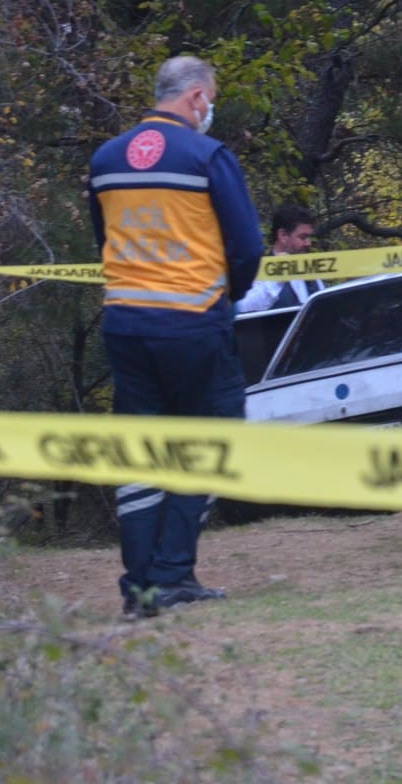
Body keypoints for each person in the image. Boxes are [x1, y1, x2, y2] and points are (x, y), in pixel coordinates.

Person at [89, 55, 262, 618]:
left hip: (126, 323)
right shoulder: (207, 156)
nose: (211, 107)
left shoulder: (107, 159)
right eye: (211, 97)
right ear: (193, 98)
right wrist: (226, 294)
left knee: (140, 451)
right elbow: (248, 244)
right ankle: (170, 575)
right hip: (193, 324)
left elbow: (103, 238)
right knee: (207, 442)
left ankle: (139, 586)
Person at [234, 204, 323, 313]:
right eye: (303, 237)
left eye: (310, 237)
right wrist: (276, 277)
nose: (308, 243)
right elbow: (243, 307)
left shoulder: (312, 270)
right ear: (283, 235)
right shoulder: (256, 269)